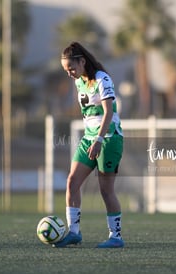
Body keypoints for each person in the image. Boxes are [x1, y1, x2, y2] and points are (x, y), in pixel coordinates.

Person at [54, 42, 124, 248]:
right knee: (72, 182)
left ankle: (116, 236)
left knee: (106, 190)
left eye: (72, 68)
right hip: (88, 138)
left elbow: (109, 112)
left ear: (82, 61)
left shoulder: (103, 79)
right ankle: (74, 233)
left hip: (109, 138)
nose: (70, 74)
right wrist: (91, 138)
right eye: (66, 71)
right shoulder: (78, 82)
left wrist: (99, 140)